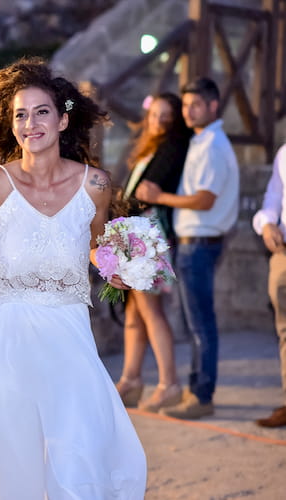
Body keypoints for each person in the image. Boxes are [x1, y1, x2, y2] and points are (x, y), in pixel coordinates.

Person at [0, 57, 146, 498]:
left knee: (78, 446)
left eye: (41, 112)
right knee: (13, 454)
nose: (30, 123)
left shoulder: (96, 184)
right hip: (6, 334)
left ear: (62, 120)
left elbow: (98, 246)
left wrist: (121, 270)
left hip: (68, 332)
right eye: (20, 114)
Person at [135, 77, 239, 419]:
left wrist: (158, 197)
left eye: (196, 104)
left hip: (200, 243)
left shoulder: (211, 145)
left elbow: (205, 200)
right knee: (198, 323)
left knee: (200, 325)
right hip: (195, 243)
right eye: (186, 105)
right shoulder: (201, 141)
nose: (189, 111)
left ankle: (201, 397)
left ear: (213, 106)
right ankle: (196, 392)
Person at [115, 93, 192, 412]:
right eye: (155, 113)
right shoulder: (147, 146)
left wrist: (120, 207)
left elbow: (148, 195)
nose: (158, 120)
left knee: (150, 309)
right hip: (134, 230)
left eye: (166, 115)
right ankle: (131, 380)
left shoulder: (172, 147)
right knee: (134, 311)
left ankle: (169, 384)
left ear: (174, 119)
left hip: (147, 232)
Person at [251, 143, 286, 427]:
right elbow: (273, 198)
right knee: (284, 331)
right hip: (283, 253)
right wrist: (267, 223)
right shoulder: (284, 153)